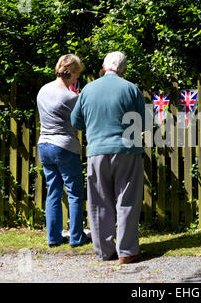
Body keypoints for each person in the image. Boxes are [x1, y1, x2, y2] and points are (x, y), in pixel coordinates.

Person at [71, 51, 145, 264]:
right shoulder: (131, 88)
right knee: (127, 200)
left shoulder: (88, 89)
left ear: (104, 67)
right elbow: (142, 122)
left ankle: (105, 251)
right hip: (127, 151)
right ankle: (127, 251)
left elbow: (76, 121)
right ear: (124, 70)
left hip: (97, 151)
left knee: (99, 201)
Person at [37, 54, 90, 248]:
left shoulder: (43, 90)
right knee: (74, 193)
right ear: (72, 72)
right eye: (77, 75)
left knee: (53, 191)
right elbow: (82, 121)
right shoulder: (70, 97)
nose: (77, 79)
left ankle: (54, 237)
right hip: (65, 146)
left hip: (44, 145)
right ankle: (76, 237)